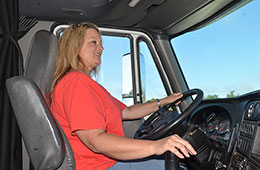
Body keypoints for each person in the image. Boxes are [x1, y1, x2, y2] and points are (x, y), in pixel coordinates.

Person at [50, 23, 196, 170]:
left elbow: (128, 112)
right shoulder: (76, 83)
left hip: (106, 162)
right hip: (98, 166)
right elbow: (95, 141)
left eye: (101, 43)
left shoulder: (87, 84)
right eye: (93, 42)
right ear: (74, 46)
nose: (101, 48)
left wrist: (163, 102)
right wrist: (155, 146)